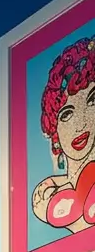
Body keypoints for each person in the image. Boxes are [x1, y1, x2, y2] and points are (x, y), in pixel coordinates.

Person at [33, 36, 95, 233]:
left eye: (92, 101)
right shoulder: (47, 195)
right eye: (67, 114)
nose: (81, 124)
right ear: (54, 128)